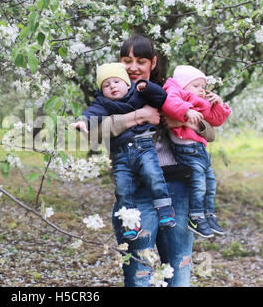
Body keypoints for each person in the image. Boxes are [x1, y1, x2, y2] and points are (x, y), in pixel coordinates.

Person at [84, 34, 215, 287]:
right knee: (139, 272)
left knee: (179, 268)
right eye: (126, 60)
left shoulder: (169, 91)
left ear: (153, 62)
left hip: (177, 188)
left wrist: (185, 120)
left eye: (140, 60)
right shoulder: (111, 94)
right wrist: (138, 116)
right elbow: (94, 131)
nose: (133, 67)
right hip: (137, 191)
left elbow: (209, 132)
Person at [71, 62, 176, 242]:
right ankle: (129, 222)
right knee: (122, 189)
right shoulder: (103, 104)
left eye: (116, 82)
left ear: (127, 83)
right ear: (101, 90)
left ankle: (165, 209)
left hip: (143, 146)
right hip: (120, 154)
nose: (112, 87)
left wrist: (146, 86)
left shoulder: (138, 93)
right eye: (106, 85)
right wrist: (83, 122)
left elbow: (162, 98)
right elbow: (92, 113)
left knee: (154, 175)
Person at [162, 65, 231, 237]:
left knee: (210, 183)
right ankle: (196, 216)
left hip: (199, 149)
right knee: (199, 183)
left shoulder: (201, 102)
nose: (201, 89)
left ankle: (209, 214)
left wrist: (219, 104)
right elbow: (169, 102)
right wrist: (187, 110)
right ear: (183, 84)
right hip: (186, 148)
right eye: (196, 85)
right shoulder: (175, 90)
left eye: (203, 86)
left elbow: (214, 121)